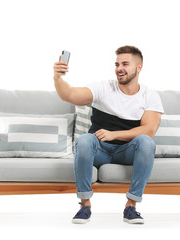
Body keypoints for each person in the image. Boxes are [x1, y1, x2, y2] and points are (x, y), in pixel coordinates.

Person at [53, 46, 164, 224]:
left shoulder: (149, 96)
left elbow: (148, 130)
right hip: (99, 151)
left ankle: (131, 206)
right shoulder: (104, 88)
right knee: (84, 140)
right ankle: (84, 205)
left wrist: (114, 134)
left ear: (139, 67)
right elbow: (70, 94)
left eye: (125, 64)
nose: (119, 68)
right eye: (117, 64)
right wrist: (57, 78)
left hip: (127, 152)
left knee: (146, 142)